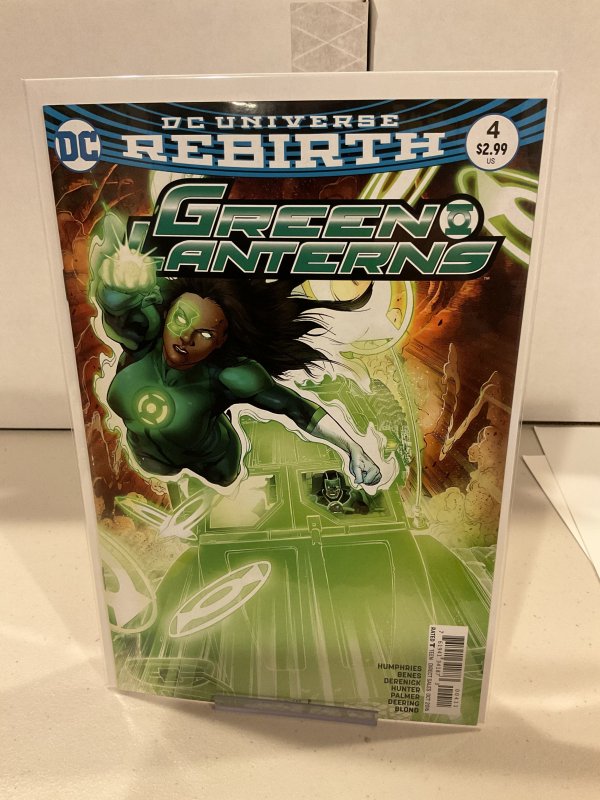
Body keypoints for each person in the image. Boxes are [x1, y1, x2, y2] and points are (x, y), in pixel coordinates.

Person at [91, 234, 382, 489]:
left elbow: (297, 408)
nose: (186, 337)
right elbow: (116, 303)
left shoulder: (230, 376)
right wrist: (120, 280)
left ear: (221, 339)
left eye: (205, 333)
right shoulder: (144, 340)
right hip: (149, 456)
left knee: (224, 477)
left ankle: (217, 414)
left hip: (214, 460)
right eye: (180, 318)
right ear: (167, 313)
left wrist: (352, 447)